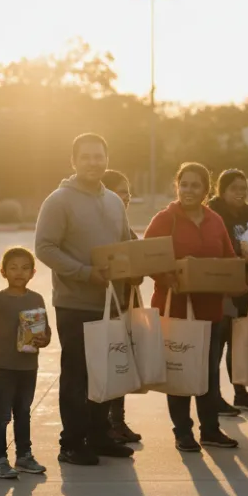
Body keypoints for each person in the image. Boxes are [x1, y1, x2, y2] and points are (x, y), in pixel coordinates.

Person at [35, 133, 137, 466]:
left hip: (110, 302)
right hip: (75, 301)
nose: (94, 162)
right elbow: (45, 248)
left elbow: (124, 244)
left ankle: (99, 435)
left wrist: (136, 267)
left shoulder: (113, 202)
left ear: (107, 159)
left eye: (99, 156)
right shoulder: (59, 200)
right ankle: (72, 442)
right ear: (74, 161)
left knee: (104, 372)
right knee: (77, 374)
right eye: (87, 156)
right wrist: (83, 272)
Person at [144, 162, 241, 453]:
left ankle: (210, 430)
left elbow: (229, 256)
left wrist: (237, 277)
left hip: (209, 310)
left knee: (207, 373)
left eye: (195, 185)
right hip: (174, 308)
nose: (188, 190)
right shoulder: (165, 219)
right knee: (178, 372)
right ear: (177, 186)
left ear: (206, 190)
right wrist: (167, 276)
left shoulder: (215, 221)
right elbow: (147, 257)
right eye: (183, 184)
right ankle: (182, 432)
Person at [0, 247, 51, 479]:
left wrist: (44, 339)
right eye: (14, 268)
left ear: (33, 273)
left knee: (24, 412)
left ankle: (24, 456)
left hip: (29, 366)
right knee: (2, 414)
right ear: (3, 272)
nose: (20, 273)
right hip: (5, 367)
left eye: (25, 268)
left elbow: (45, 331)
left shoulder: (36, 299)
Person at [207, 169, 248, 416]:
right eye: (234, 188)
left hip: (246, 291)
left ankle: (241, 394)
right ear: (221, 190)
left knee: (242, 342)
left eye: (244, 188)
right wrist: (240, 274)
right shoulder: (212, 213)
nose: (240, 193)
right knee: (218, 344)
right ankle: (213, 397)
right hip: (220, 290)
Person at [98, 169, 143, 445]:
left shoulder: (125, 225)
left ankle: (118, 420)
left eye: (128, 191)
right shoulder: (103, 225)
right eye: (121, 190)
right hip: (105, 305)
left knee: (122, 363)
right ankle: (105, 425)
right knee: (109, 365)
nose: (127, 196)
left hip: (125, 303)